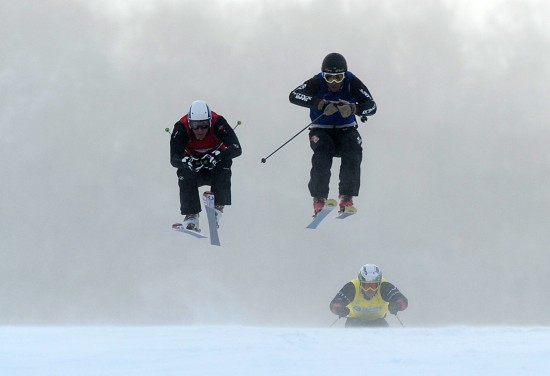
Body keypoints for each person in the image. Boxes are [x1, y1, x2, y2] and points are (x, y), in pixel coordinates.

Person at [289, 52, 377, 216]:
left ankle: (346, 196)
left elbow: (372, 106)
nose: (334, 83)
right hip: (321, 130)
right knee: (322, 152)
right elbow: (294, 95)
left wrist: (353, 108)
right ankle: (319, 198)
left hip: (346, 130)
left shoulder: (352, 82)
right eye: (329, 78)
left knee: (353, 150)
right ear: (324, 75)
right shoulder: (317, 81)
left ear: (345, 75)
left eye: (338, 77)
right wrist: (320, 104)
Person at [170, 100, 242, 230]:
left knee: (225, 162)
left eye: (204, 125)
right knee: (183, 172)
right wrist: (188, 162)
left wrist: (216, 156)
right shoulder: (181, 127)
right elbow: (174, 159)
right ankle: (191, 215)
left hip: (215, 169)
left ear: (209, 121)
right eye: (195, 126)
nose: (200, 130)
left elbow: (237, 148)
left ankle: (217, 208)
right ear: (189, 123)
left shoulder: (218, 123)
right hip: (195, 172)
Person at [329, 264, 408, 328]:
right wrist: (340, 309)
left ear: (379, 283)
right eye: (366, 285)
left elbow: (402, 301)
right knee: (354, 325)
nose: (370, 290)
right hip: (354, 321)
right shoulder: (352, 287)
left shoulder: (384, 287)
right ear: (360, 283)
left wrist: (397, 305)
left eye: (373, 285)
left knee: (382, 326)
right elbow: (334, 304)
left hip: (378, 321)